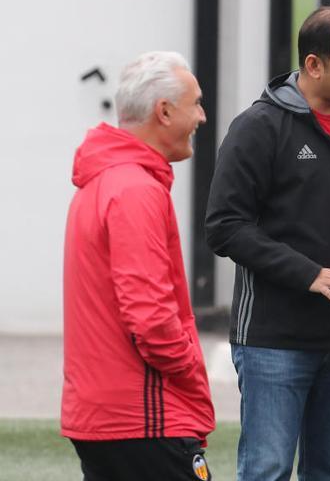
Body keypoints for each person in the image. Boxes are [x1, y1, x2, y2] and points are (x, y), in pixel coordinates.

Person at [204, 6, 330, 481]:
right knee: (268, 470)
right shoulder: (258, 128)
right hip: (275, 343)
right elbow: (224, 225)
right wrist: (308, 274)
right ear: (313, 65)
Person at [62, 51, 215, 481]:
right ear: (163, 112)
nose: (202, 117)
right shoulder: (134, 189)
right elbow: (151, 318)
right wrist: (190, 370)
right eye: (196, 103)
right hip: (141, 417)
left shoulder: (106, 180)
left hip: (110, 415)